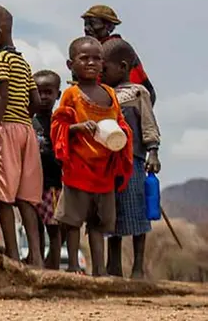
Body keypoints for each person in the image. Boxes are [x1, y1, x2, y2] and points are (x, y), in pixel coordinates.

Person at [51, 36, 134, 276]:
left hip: (104, 170)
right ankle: (75, 266)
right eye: (84, 58)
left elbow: (120, 122)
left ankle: (99, 269)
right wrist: (77, 128)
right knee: (73, 221)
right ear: (70, 64)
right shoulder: (71, 94)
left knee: (99, 224)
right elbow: (58, 126)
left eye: (97, 59)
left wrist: (122, 134)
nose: (91, 63)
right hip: (78, 168)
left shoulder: (109, 92)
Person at [0, 3, 44, 267]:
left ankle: (13, 255)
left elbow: (1, 96)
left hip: (4, 130)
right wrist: (24, 120)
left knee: (3, 194)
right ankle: (36, 256)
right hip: (27, 130)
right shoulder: (23, 62)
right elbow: (35, 102)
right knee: (26, 198)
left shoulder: (0, 60)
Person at [102, 38, 162, 279]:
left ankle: (138, 267)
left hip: (134, 161)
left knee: (137, 212)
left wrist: (153, 151)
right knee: (111, 215)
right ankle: (113, 266)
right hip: (108, 164)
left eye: (105, 69)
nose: (101, 73)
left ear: (124, 67)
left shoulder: (139, 93)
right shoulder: (105, 94)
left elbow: (148, 124)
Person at [81, 5, 155, 104]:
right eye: (86, 24)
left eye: (93, 23)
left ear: (108, 26)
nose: (87, 28)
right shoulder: (89, 50)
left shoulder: (116, 49)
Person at [32, 70, 65, 270]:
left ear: (57, 95)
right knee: (35, 227)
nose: (43, 97)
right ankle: (37, 261)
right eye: (39, 92)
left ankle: (52, 264)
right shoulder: (29, 123)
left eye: (48, 92)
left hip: (53, 185)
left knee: (54, 228)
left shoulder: (59, 122)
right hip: (33, 185)